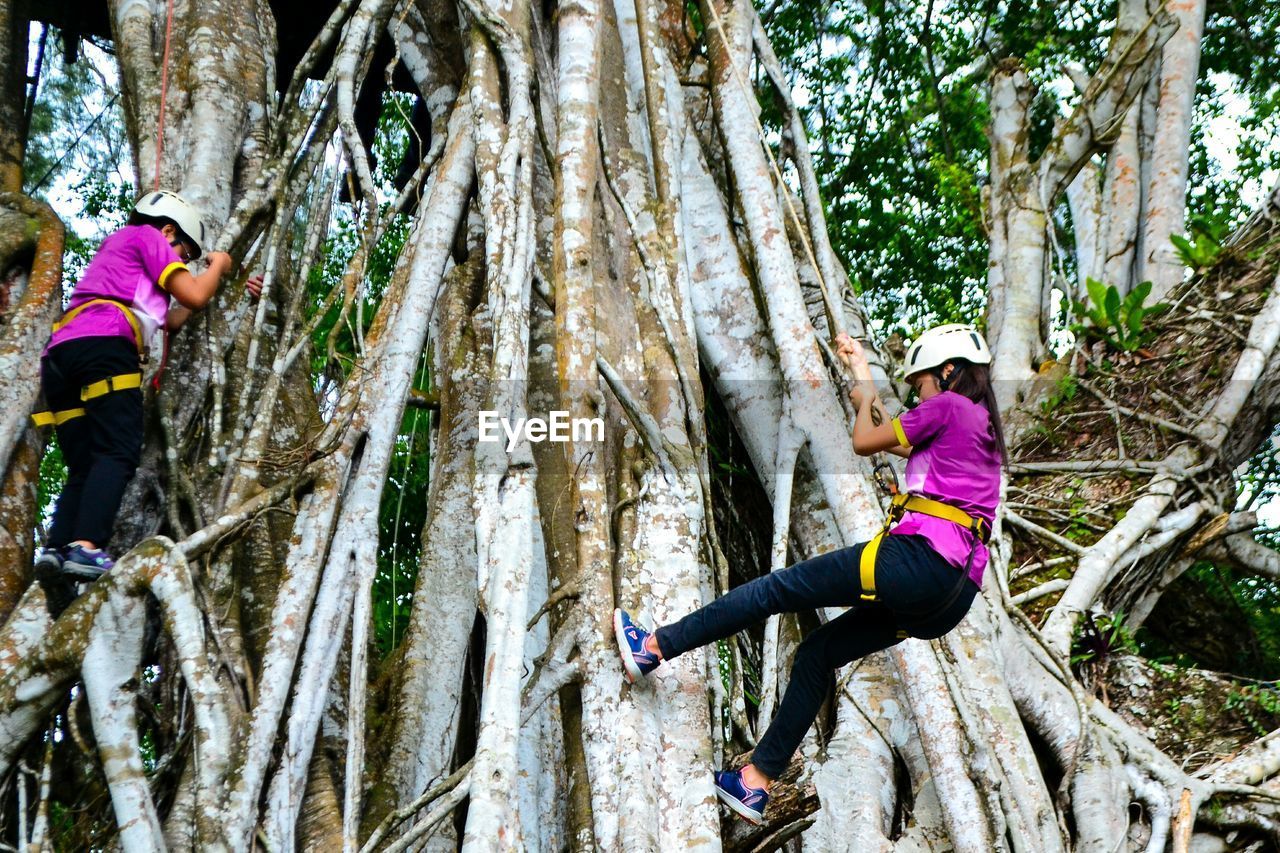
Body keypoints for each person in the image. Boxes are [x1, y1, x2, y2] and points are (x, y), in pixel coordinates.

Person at [613, 323, 1007, 825]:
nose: (919, 392)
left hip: (915, 562)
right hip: (951, 599)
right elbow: (898, 440)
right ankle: (754, 782)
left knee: (775, 590)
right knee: (818, 654)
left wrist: (864, 399)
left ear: (948, 372)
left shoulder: (950, 404)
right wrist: (862, 377)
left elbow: (867, 439)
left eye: (922, 383)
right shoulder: (982, 431)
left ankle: (651, 649)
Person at [31, 190, 261, 609]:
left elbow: (173, 317)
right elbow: (193, 294)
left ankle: (56, 550)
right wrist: (220, 265)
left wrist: (231, 289)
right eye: (185, 253)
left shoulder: (119, 253)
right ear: (168, 230)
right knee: (118, 452)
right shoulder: (149, 237)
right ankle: (85, 546)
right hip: (105, 345)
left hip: (62, 357)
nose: (184, 262)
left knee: (85, 465)